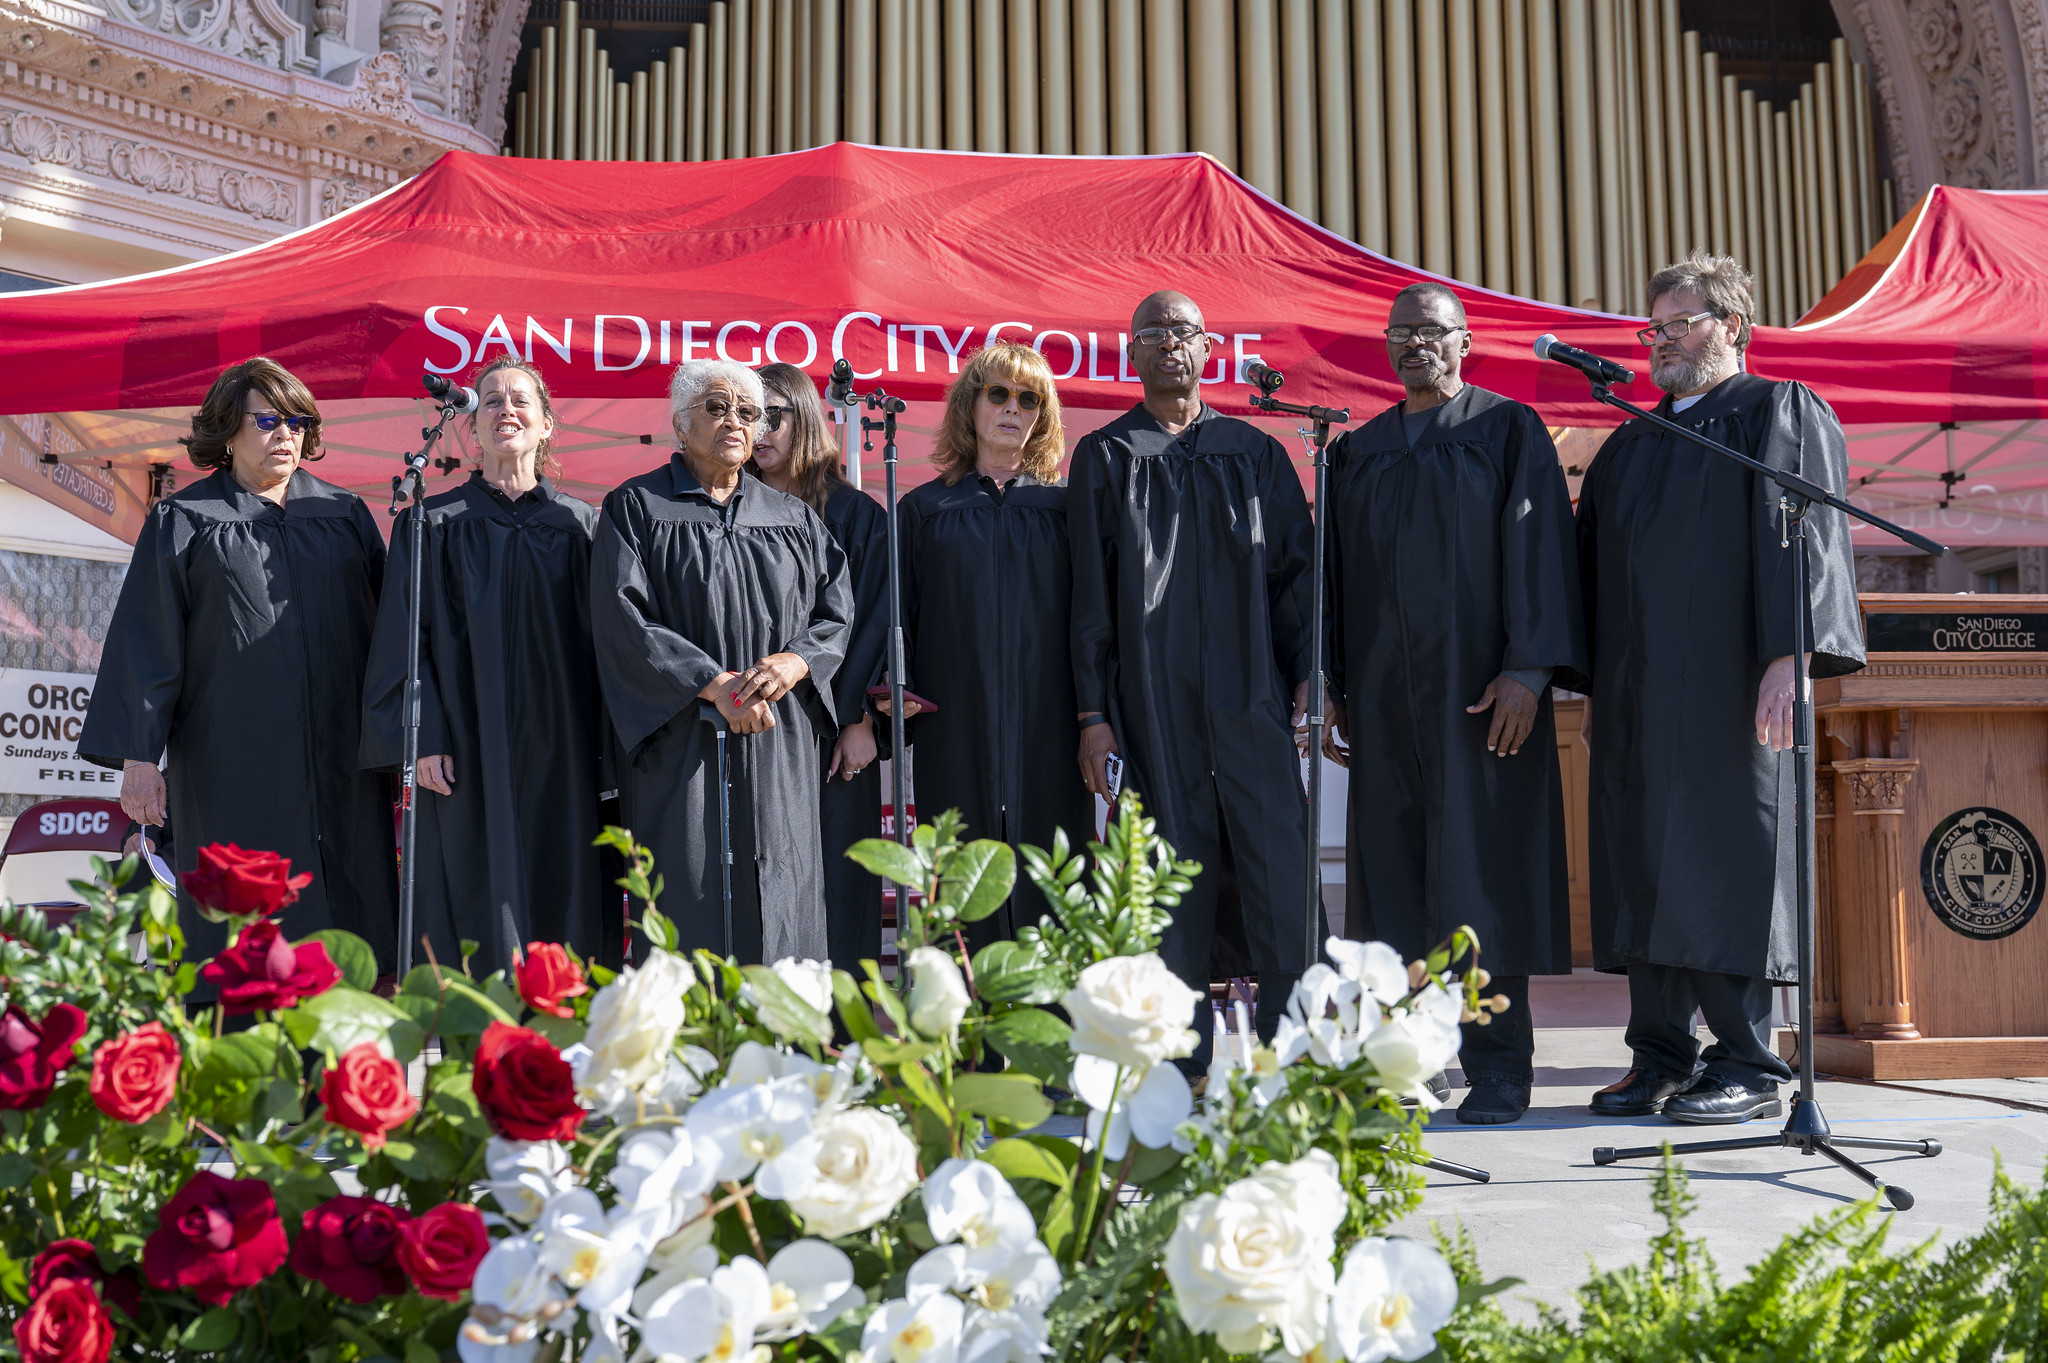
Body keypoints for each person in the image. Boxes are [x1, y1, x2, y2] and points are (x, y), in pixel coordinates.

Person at [1573, 251, 1863, 1125]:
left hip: (1734, 685)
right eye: (1653, 327)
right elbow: (1597, 579)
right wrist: (1596, 691)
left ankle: (1745, 1059)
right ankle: (1659, 1054)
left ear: (1731, 326)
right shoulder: (1630, 442)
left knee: (1726, 859)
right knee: (1645, 865)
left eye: (1679, 324)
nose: (1660, 342)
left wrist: (1792, 653)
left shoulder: (1776, 410)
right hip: (1638, 693)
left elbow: (1803, 537)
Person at [1322, 282, 1587, 1125]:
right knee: (1391, 881)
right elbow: (1331, 582)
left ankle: (1500, 1064)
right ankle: (1410, 1058)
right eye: (1399, 334)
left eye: (1430, 332)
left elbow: (1541, 550)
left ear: (1465, 340)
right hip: (1384, 700)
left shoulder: (1505, 430)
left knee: (1485, 875)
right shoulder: (1356, 452)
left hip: (1483, 698)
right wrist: (1332, 685)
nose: (1413, 346)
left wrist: (1531, 668)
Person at [1069, 291, 1320, 1072]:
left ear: (1209, 347)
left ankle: (1298, 1048)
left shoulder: (1257, 452)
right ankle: (1177, 1062)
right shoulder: (1106, 456)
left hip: (1252, 695)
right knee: (1167, 874)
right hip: (1150, 699)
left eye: (1183, 331)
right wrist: (1092, 712)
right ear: (1133, 354)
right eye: (1154, 333)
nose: (1170, 343)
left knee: (1281, 868)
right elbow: (1088, 595)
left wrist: (1311, 674)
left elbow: (1297, 579)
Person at [78, 356, 396, 968]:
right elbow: (146, 644)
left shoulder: (345, 517)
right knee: (238, 923)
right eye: (269, 420)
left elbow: (389, 642)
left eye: (298, 420)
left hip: (343, 761)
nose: (286, 434)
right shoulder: (186, 521)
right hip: (230, 764)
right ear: (227, 430)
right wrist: (140, 761)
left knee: (349, 915)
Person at [590, 360, 852, 963]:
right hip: (682, 733)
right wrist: (712, 685)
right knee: (687, 884)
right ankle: (689, 1046)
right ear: (681, 424)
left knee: (783, 883)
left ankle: (781, 1044)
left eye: (748, 411)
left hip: (776, 731)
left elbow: (836, 610)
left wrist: (796, 663)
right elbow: (621, 618)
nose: (735, 420)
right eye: (717, 406)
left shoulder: (793, 519)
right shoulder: (636, 507)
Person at [359, 357, 611, 975]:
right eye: (491, 401)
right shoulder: (431, 524)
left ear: (547, 424)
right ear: (471, 429)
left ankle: (567, 1045)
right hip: (466, 746)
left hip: (567, 748)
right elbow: (403, 641)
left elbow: (615, 649)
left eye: (521, 400)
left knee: (570, 885)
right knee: (473, 889)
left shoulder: (585, 528)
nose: (505, 410)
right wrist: (423, 735)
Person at [891, 343, 1095, 941]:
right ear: (969, 405)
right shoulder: (925, 510)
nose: (1012, 408)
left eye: (1029, 399)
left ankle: (1053, 1026)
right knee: (956, 874)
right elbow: (895, 616)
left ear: (1044, 415)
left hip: (1051, 721)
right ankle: (962, 1024)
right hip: (953, 720)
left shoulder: (1066, 510)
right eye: (998, 393)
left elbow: (1094, 618)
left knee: (1054, 871)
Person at [748, 362, 889, 967]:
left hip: (832, 729)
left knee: (837, 875)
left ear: (805, 417)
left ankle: (842, 1040)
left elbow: (874, 621)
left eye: (774, 414)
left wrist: (859, 720)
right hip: (758, 722)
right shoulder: (725, 514)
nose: (759, 430)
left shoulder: (856, 515)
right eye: (750, 414)